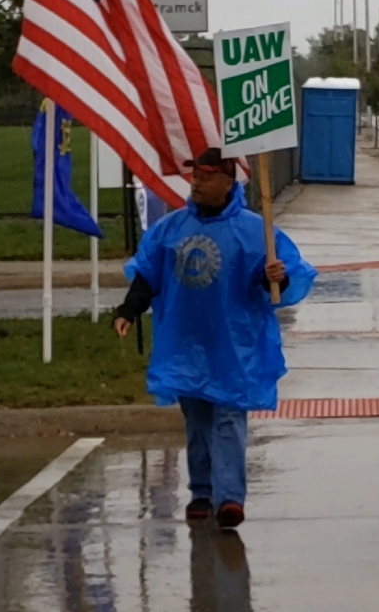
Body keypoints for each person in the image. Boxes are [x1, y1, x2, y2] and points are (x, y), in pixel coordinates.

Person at [113, 149, 317, 528]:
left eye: (206, 178)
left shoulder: (256, 232)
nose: (197, 184)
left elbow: (276, 284)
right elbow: (148, 274)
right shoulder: (172, 229)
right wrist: (128, 309)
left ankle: (229, 498)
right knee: (198, 421)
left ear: (228, 182)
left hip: (233, 346)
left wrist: (276, 277)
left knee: (228, 418)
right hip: (186, 343)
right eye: (195, 177)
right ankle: (202, 492)